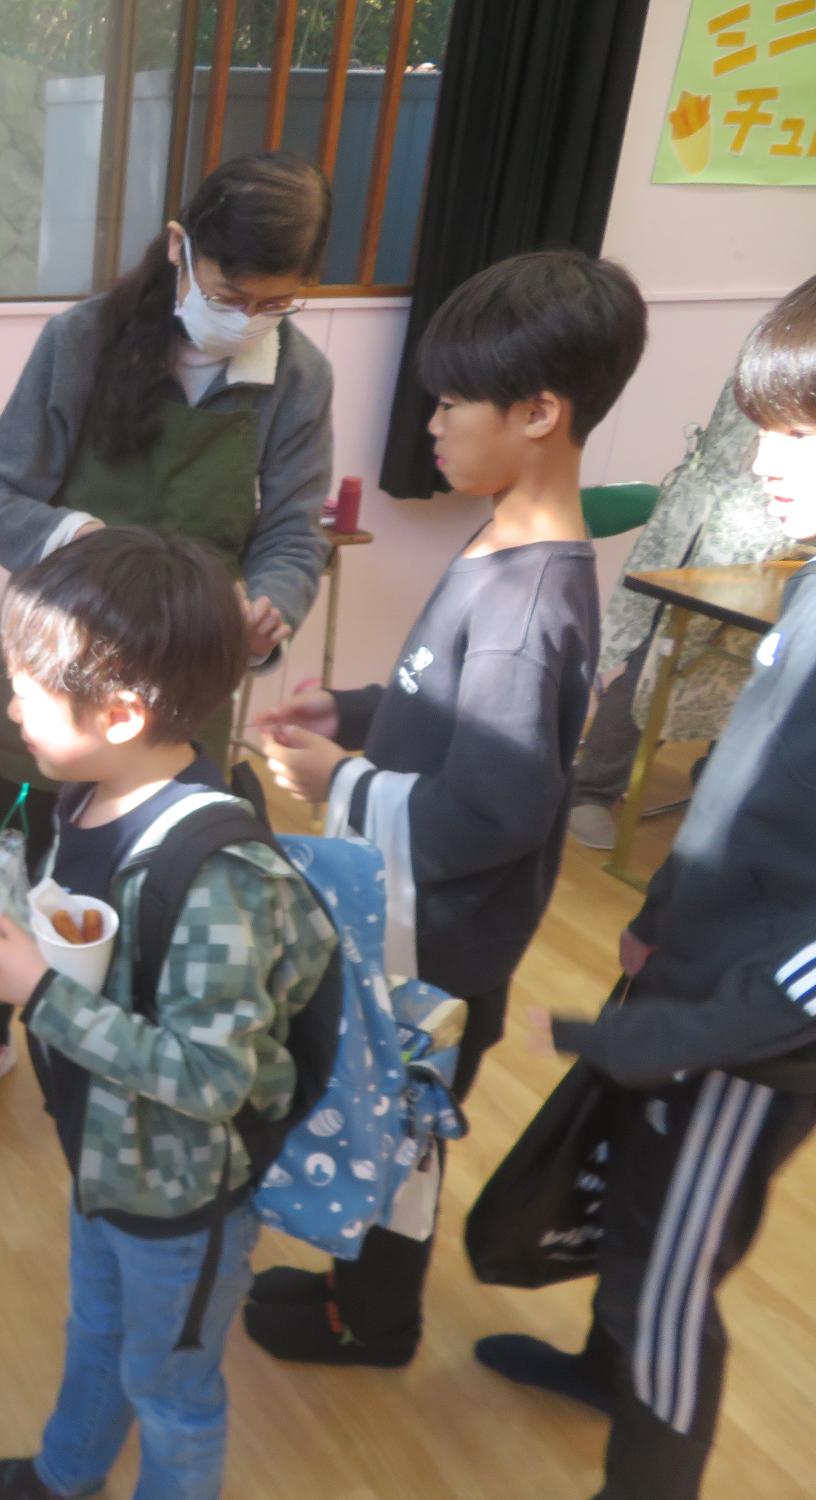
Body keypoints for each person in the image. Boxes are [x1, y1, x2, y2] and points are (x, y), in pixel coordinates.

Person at [0, 528, 337, 1500]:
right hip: (105, 1162)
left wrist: (36, 995)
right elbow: (43, 947)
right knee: (94, 1331)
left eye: (28, 693)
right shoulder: (80, 803)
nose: (11, 709)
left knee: (170, 1392)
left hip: (184, 1198)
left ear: (121, 714)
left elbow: (212, 1078)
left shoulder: (216, 876)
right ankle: (65, 1475)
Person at [248, 250, 648, 1366]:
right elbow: (453, 712)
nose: (429, 423)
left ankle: (373, 1324)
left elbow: (495, 810)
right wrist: (355, 710)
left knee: (399, 1131)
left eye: (450, 402)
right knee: (377, 1107)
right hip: (429, 926)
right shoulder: (504, 537)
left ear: (538, 412)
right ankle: (354, 1291)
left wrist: (339, 782)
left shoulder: (527, 601)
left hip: (446, 943)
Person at [477, 273, 816, 1500]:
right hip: (695, 971)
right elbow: (738, 791)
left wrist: (692, 1029)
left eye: (801, 436)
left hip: (749, 1040)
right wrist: (657, 914)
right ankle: (602, 1369)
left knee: (671, 1266)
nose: (766, 464)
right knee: (632, 1194)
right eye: (766, 429)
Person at [0, 151, 337, 1124]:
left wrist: (270, 601)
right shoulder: (81, 341)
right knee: (9, 869)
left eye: (275, 303)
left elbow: (293, 533)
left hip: (181, 689)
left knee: (151, 885)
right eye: (229, 294)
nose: (247, 318)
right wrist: (78, 538)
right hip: (56, 674)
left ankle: (122, 1064)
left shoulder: (296, 377)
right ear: (178, 248)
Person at [568, 377, 780, 850]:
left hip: (786, 541)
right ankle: (591, 789)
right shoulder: (785, 357)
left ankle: (720, 785)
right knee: (661, 662)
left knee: (763, 671)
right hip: (720, 530)